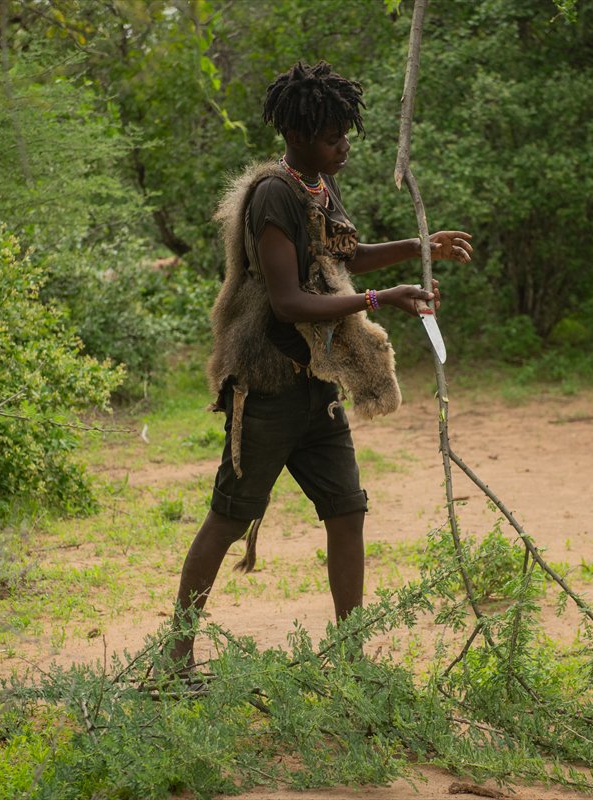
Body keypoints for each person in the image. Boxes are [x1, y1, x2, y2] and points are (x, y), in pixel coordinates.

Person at [166, 61, 472, 672]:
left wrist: (419, 246)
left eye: (346, 134)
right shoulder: (275, 195)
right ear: (300, 136)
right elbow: (290, 302)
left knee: (347, 510)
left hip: (317, 387)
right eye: (335, 137)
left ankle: (351, 657)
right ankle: (175, 659)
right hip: (270, 388)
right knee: (229, 516)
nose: (345, 146)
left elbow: (346, 256)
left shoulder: (317, 186)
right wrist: (383, 300)